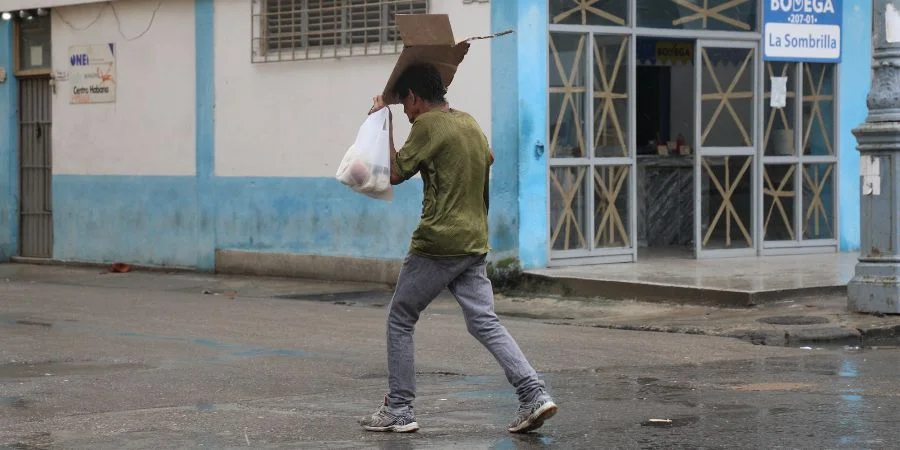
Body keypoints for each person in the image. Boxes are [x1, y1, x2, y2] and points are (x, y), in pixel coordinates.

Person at [358, 62, 557, 434]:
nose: (406, 112)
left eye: (405, 106)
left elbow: (397, 172)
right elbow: (490, 157)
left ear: (415, 98)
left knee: (400, 317)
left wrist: (383, 122)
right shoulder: (468, 121)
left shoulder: (427, 125)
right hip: (474, 240)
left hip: (438, 241)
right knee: (484, 321)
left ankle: (399, 408)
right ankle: (534, 393)